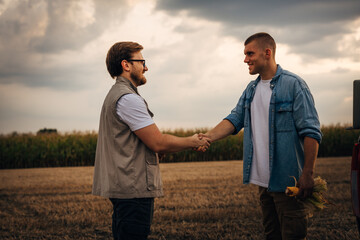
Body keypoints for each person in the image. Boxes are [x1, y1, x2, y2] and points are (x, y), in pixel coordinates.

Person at [198, 32, 322, 239]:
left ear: (267, 52)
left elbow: (311, 131)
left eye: (249, 53)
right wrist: (207, 137)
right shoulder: (251, 89)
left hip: (289, 182)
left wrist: (308, 173)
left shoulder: (294, 85)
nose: (245, 59)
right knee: (271, 235)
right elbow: (234, 119)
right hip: (263, 183)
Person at [92, 41, 211, 240]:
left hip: (124, 187)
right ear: (126, 65)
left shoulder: (117, 95)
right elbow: (158, 142)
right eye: (142, 61)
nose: (146, 67)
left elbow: (140, 142)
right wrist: (193, 141)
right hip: (133, 189)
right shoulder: (128, 99)